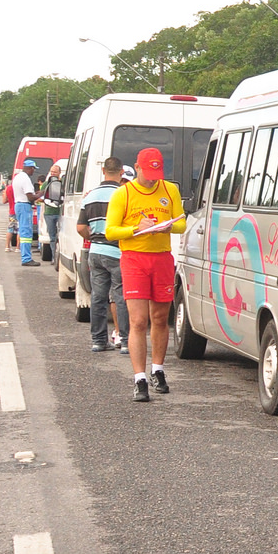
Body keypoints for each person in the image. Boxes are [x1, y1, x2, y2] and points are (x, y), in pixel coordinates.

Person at [103, 147, 185, 402]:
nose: (152, 178)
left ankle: (157, 370)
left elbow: (182, 222)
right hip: (134, 259)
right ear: (136, 168)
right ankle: (139, 378)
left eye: (156, 173)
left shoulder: (169, 189)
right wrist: (135, 229)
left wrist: (168, 225)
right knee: (138, 321)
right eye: (147, 173)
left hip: (161, 257)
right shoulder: (123, 194)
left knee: (160, 318)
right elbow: (110, 231)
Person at [80, 157, 131, 354]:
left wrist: (92, 237)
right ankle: (126, 341)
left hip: (96, 251)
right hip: (118, 251)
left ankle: (99, 341)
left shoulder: (90, 196)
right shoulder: (123, 194)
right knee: (121, 296)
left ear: (103, 171)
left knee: (98, 298)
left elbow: (81, 227)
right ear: (121, 173)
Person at [12, 159, 39, 265]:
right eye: (33, 169)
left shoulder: (18, 177)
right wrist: (40, 194)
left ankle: (25, 257)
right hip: (24, 205)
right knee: (26, 233)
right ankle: (26, 258)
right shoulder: (25, 179)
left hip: (18, 205)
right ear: (30, 168)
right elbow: (30, 196)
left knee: (23, 231)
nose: (34, 171)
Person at [38, 162, 66, 265]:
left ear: (59, 173)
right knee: (52, 237)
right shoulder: (46, 184)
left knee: (62, 236)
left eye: (55, 172)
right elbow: (42, 196)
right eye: (52, 171)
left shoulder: (63, 183)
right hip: (49, 213)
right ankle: (55, 258)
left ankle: (60, 257)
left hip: (61, 213)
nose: (53, 173)